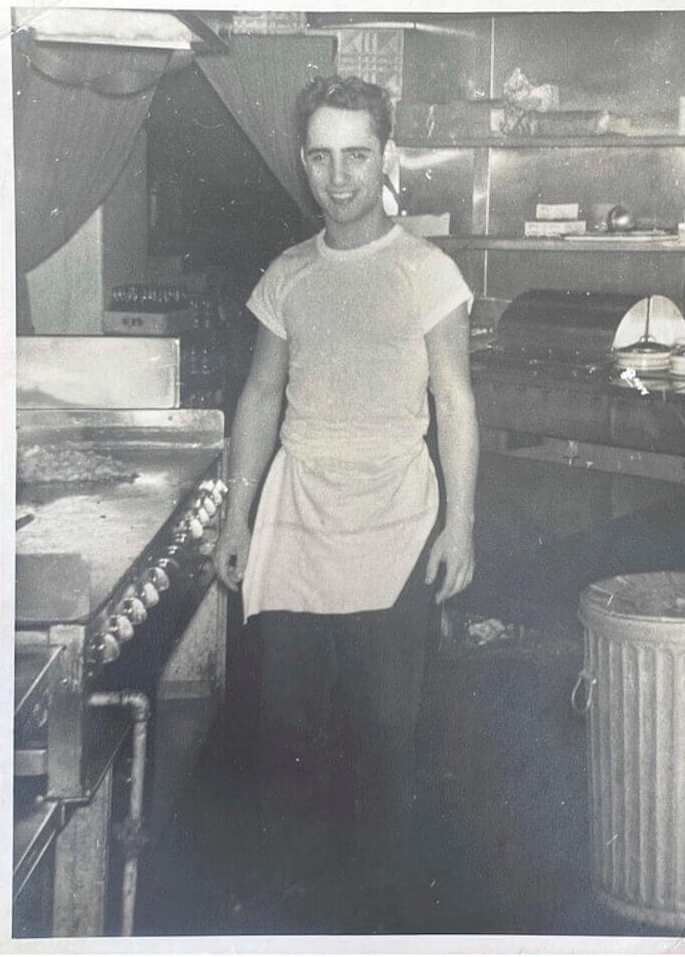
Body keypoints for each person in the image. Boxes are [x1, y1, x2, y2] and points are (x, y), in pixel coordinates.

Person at [213, 75, 479, 932]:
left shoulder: (425, 272)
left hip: (396, 531)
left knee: (385, 751)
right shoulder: (287, 274)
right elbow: (259, 399)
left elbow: (455, 402)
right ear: (304, 162)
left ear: (387, 157)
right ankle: (289, 919)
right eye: (322, 157)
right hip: (296, 531)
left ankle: (383, 922)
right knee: (285, 747)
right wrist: (237, 517)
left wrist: (461, 524)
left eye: (357, 155)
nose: (339, 176)